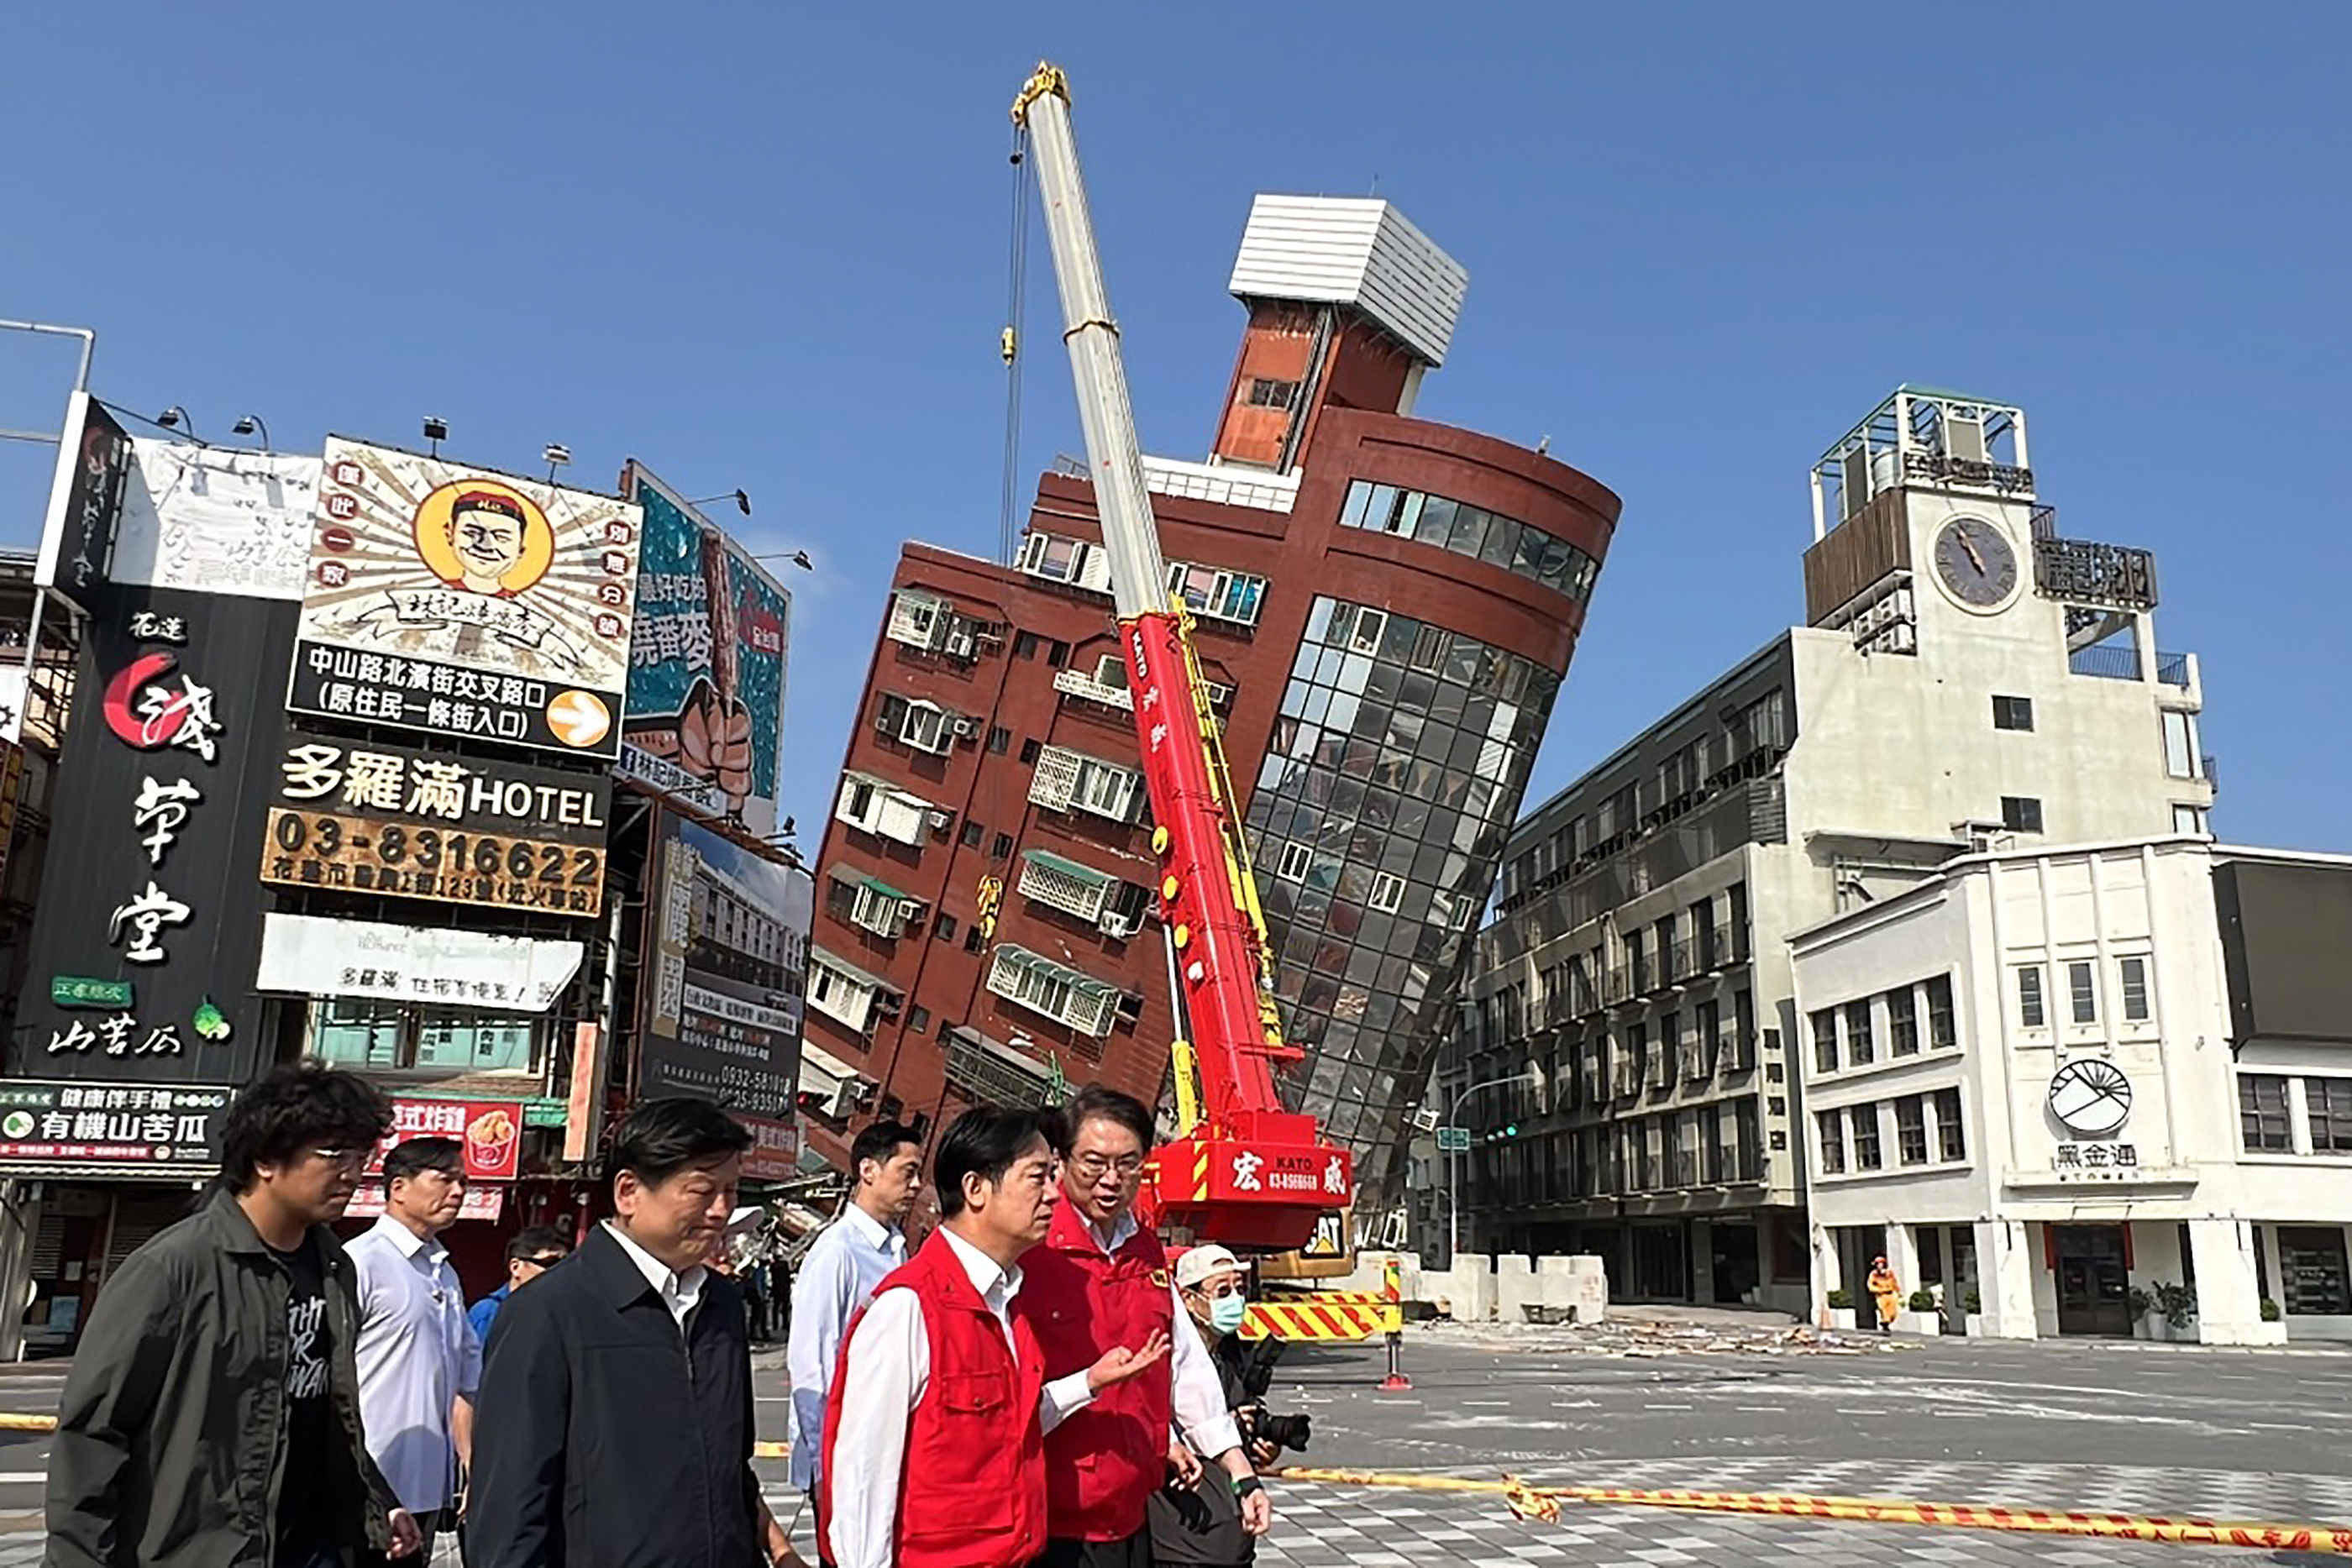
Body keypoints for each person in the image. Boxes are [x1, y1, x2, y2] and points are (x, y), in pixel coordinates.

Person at [45, 1060, 423, 1567]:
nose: (352, 1173)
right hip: (200, 1549)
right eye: (333, 1154)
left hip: (312, 1545)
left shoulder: (334, 1266)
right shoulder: (174, 1268)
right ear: (267, 1160)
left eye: (360, 1155)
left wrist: (378, 1503)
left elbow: (327, 1411)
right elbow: (94, 1432)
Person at [821, 1104, 1173, 1568]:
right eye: (1038, 1176)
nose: (1053, 1193)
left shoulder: (1008, 1301)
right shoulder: (908, 1309)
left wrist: (1088, 1382)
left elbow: (1009, 1429)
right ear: (976, 1188)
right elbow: (862, 1482)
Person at [468, 1098, 765, 1567]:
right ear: (628, 1192)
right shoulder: (548, 1313)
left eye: (731, 1191)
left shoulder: (721, 1305)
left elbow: (733, 1472)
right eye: (702, 1191)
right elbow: (510, 1509)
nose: (721, 1211)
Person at [1020, 1087, 1271, 1568]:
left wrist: (1239, 1470)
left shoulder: (1144, 1249)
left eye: (1128, 1164)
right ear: (1062, 1160)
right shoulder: (1033, 1249)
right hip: (1054, 1518)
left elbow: (1183, 1363)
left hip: (1133, 1509)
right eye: (1093, 1162)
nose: (1111, 1179)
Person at [347, 1136, 483, 1556]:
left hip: (427, 1491)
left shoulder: (445, 1273)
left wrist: (472, 1464)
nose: (458, 1192)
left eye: (462, 1181)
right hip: (366, 1487)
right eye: (444, 1179)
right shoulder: (360, 1262)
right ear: (398, 1188)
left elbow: (465, 1382)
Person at [788, 1119, 921, 1500]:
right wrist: (822, 1462)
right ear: (868, 1170)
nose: (915, 1185)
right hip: (843, 1457)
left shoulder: (897, 1247)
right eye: (907, 1172)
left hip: (883, 1446)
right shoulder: (838, 1252)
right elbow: (812, 1363)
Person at [1147, 1245, 1265, 1568]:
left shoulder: (1230, 1353)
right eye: (1222, 1291)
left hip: (1230, 1516)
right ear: (1187, 1299)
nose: (1235, 1301)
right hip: (1186, 1521)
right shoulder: (1167, 1351)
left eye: (1240, 1290)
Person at [467, 1225, 573, 1345]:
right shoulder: (489, 1312)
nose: (558, 1271)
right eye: (549, 1263)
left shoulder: (562, 1316)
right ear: (515, 1267)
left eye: (564, 1265)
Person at [1866, 1256, 1903, 1333]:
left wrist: (1898, 1291)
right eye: (1878, 1264)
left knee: (1893, 1311)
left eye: (1881, 1264)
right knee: (1883, 1309)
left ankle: (1888, 1321)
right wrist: (1878, 1290)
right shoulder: (1873, 1274)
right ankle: (1885, 1323)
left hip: (1891, 1294)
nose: (1879, 1266)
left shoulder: (1889, 1273)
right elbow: (1870, 1285)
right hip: (1881, 1295)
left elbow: (1894, 1282)